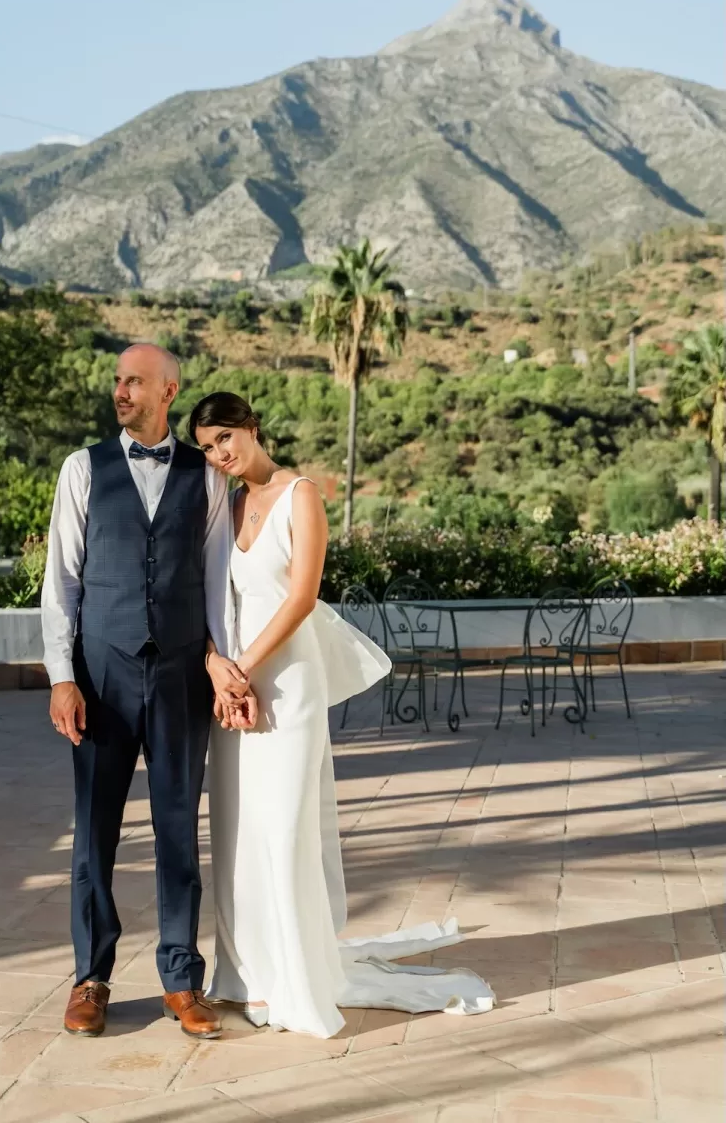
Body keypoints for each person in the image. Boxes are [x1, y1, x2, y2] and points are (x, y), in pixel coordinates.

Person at [193, 390, 496, 1039]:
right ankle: (244, 976)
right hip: (230, 692)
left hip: (286, 687)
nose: (219, 455)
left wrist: (243, 668)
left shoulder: (300, 494)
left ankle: (293, 980)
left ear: (252, 425)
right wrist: (219, 668)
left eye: (225, 439)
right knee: (236, 834)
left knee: (283, 830)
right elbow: (202, 596)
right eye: (208, 447)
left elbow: (302, 598)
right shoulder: (221, 503)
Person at [41, 345, 250, 1040]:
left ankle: (181, 980)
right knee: (94, 830)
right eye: (117, 380)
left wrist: (220, 661)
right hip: (101, 673)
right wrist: (63, 676)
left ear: (169, 390)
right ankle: (91, 978)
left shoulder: (207, 477)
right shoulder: (82, 468)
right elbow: (61, 582)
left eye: (134, 381)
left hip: (183, 674)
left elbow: (218, 579)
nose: (120, 390)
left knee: (176, 829)